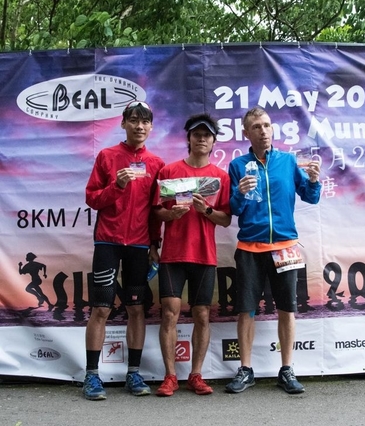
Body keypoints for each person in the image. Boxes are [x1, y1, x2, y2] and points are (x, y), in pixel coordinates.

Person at [226, 107, 321, 394]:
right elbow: (234, 209)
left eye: (267, 125)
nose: (263, 131)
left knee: (287, 309)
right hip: (249, 247)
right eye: (256, 126)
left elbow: (311, 197)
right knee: (246, 310)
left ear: (272, 129)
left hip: (284, 246)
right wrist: (240, 193)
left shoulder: (288, 161)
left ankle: (287, 369)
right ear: (246, 133)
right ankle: (245, 370)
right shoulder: (237, 165)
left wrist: (314, 181)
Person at [83, 101, 164, 400]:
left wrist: (154, 244)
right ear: (123, 124)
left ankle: (134, 373)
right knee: (101, 308)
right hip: (108, 241)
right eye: (133, 120)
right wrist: (116, 185)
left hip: (139, 245)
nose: (139, 126)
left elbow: (155, 210)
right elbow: (92, 198)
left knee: (136, 308)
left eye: (144, 121)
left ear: (151, 127)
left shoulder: (156, 164)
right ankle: (92, 375)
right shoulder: (107, 156)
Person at [154, 114, 231, 396]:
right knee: (169, 314)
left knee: (202, 314)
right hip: (173, 254)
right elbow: (156, 211)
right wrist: (170, 214)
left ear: (213, 141)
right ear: (188, 138)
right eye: (196, 134)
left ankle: (196, 375)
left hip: (204, 255)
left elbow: (226, 219)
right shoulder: (169, 171)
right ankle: (170, 376)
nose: (201, 139)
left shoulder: (221, 177)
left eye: (206, 135)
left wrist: (206, 211)